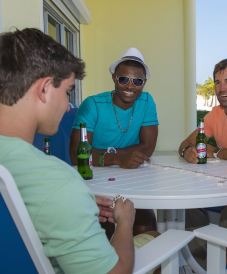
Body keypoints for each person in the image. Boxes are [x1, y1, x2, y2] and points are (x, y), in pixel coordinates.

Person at [0, 28, 135, 273]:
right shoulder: (58, 182)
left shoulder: (48, 187)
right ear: (43, 89)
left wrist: (76, 206)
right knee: (156, 236)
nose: (68, 105)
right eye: (67, 91)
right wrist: (125, 222)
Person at [69, 47, 158, 235]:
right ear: (114, 78)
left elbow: (148, 147)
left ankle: (143, 261)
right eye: (123, 79)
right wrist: (118, 158)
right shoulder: (92, 105)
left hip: (131, 178)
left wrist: (104, 154)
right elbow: (77, 154)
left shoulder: (147, 101)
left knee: (146, 224)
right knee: (106, 225)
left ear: (144, 83)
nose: (130, 86)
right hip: (95, 180)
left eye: (138, 81)